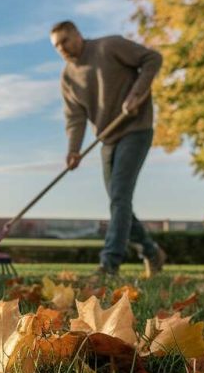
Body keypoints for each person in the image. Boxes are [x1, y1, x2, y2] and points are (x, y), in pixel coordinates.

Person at [50, 20, 167, 278]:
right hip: (108, 138)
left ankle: (109, 264)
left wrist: (137, 93)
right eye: (56, 46)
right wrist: (74, 150)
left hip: (135, 129)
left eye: (65, 41)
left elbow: (152, 58)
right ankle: (151, 252)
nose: (62, 48)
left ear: (77, 34)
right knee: (118, 201)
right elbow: (75, 118)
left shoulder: (109, 46)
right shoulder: (68, 77)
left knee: (119, 197)